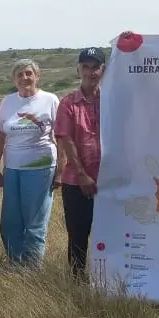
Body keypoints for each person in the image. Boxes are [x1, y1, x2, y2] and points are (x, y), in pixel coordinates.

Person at [0, 58, 61, 266]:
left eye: (29, 73)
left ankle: (32, 267)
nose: (25, 78)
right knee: (10, 222)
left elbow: (62, 136)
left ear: (37, 76)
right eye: (20, 74)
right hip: (13, 168)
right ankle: (15, 262)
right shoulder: (8, 101)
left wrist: (62, 171)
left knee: (35, 221)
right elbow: (1, 136)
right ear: (14, 79)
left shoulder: (50, 100)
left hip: (41, 167)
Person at [55, 47, 105, 280]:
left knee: (108, 233)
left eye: (95, 67)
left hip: (110, 181)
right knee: (78, 234)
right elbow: (66, 139)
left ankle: (106, 279)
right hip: (77, 182)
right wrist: (82, 174)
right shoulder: (68, 103)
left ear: (103, 70)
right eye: (86, 67)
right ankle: (78, 281)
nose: (90, 72)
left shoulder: (113, 100)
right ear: (78, 69)